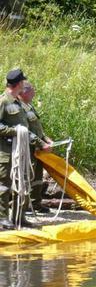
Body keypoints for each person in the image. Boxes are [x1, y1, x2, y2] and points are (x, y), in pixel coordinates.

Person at [0, 69, 49, 229]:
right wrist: (15, 131)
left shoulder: (19, 103)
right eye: (23, 83)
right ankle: (2, 219)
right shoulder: (3, 102)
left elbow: (26, 129)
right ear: (19, 84)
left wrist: (41, 143)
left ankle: (19, 218)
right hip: (6, 152)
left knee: (23, 184)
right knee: (4, 186)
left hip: (22, 152)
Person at [18, 81, 53, 213]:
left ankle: (35, 203)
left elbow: (36, 127)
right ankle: (23, 205)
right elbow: (26, 131)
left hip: (37, 148)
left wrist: (45, 138)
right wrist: (41, 143)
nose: (34, 93)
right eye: (32, 90)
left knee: (37, 176)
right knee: (26, 176)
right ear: (25, 91)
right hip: (26, 148)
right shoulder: (18, 107)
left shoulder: (29, 106)